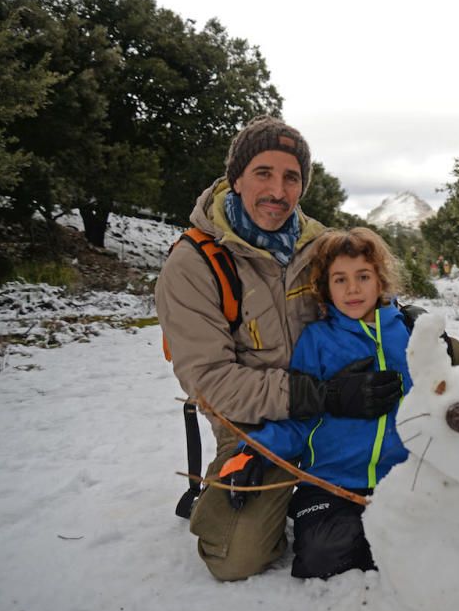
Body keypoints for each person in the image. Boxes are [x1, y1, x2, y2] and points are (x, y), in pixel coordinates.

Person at [156, 116, 402, 581]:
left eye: (291, 177)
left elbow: (365, 297)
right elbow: (209, 382)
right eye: (263, 173)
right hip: (256, 420)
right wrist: (320, 396)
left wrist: (414, 324)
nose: (278, 190)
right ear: (236, 179)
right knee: (236, 560)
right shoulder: (194, 263)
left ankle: (319, 494)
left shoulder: (317, 245)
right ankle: (258, 492)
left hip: (338, 403)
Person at [218, 227, 415, 579]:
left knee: (428, 541)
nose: (352, 289)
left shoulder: (407, 334)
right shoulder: (317, 340)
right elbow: (298, 413)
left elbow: (433, 408)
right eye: (340, 279)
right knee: (322, 554)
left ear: (381, 280)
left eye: (363, 276)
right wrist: (254, 452)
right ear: (324, 287)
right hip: (330, 483)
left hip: (399, 480)